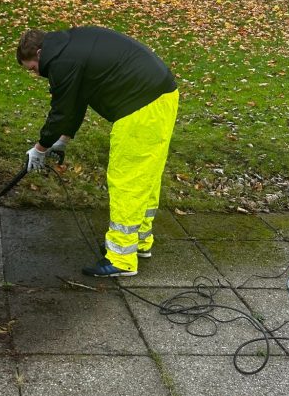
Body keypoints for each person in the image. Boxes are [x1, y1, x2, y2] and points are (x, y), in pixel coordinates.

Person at [16, 26, 178, 278]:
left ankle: (122, 259)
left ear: (39, 53)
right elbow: (77, 99)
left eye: (33, 68)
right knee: (145, 176)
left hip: (141, 108)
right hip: (160, 97)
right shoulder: (69, 47)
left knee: (127, 181)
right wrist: (64, 139)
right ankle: (139, 243)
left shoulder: (61, 61)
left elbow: (61, 110)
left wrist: (40, 148)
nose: (36, 74)